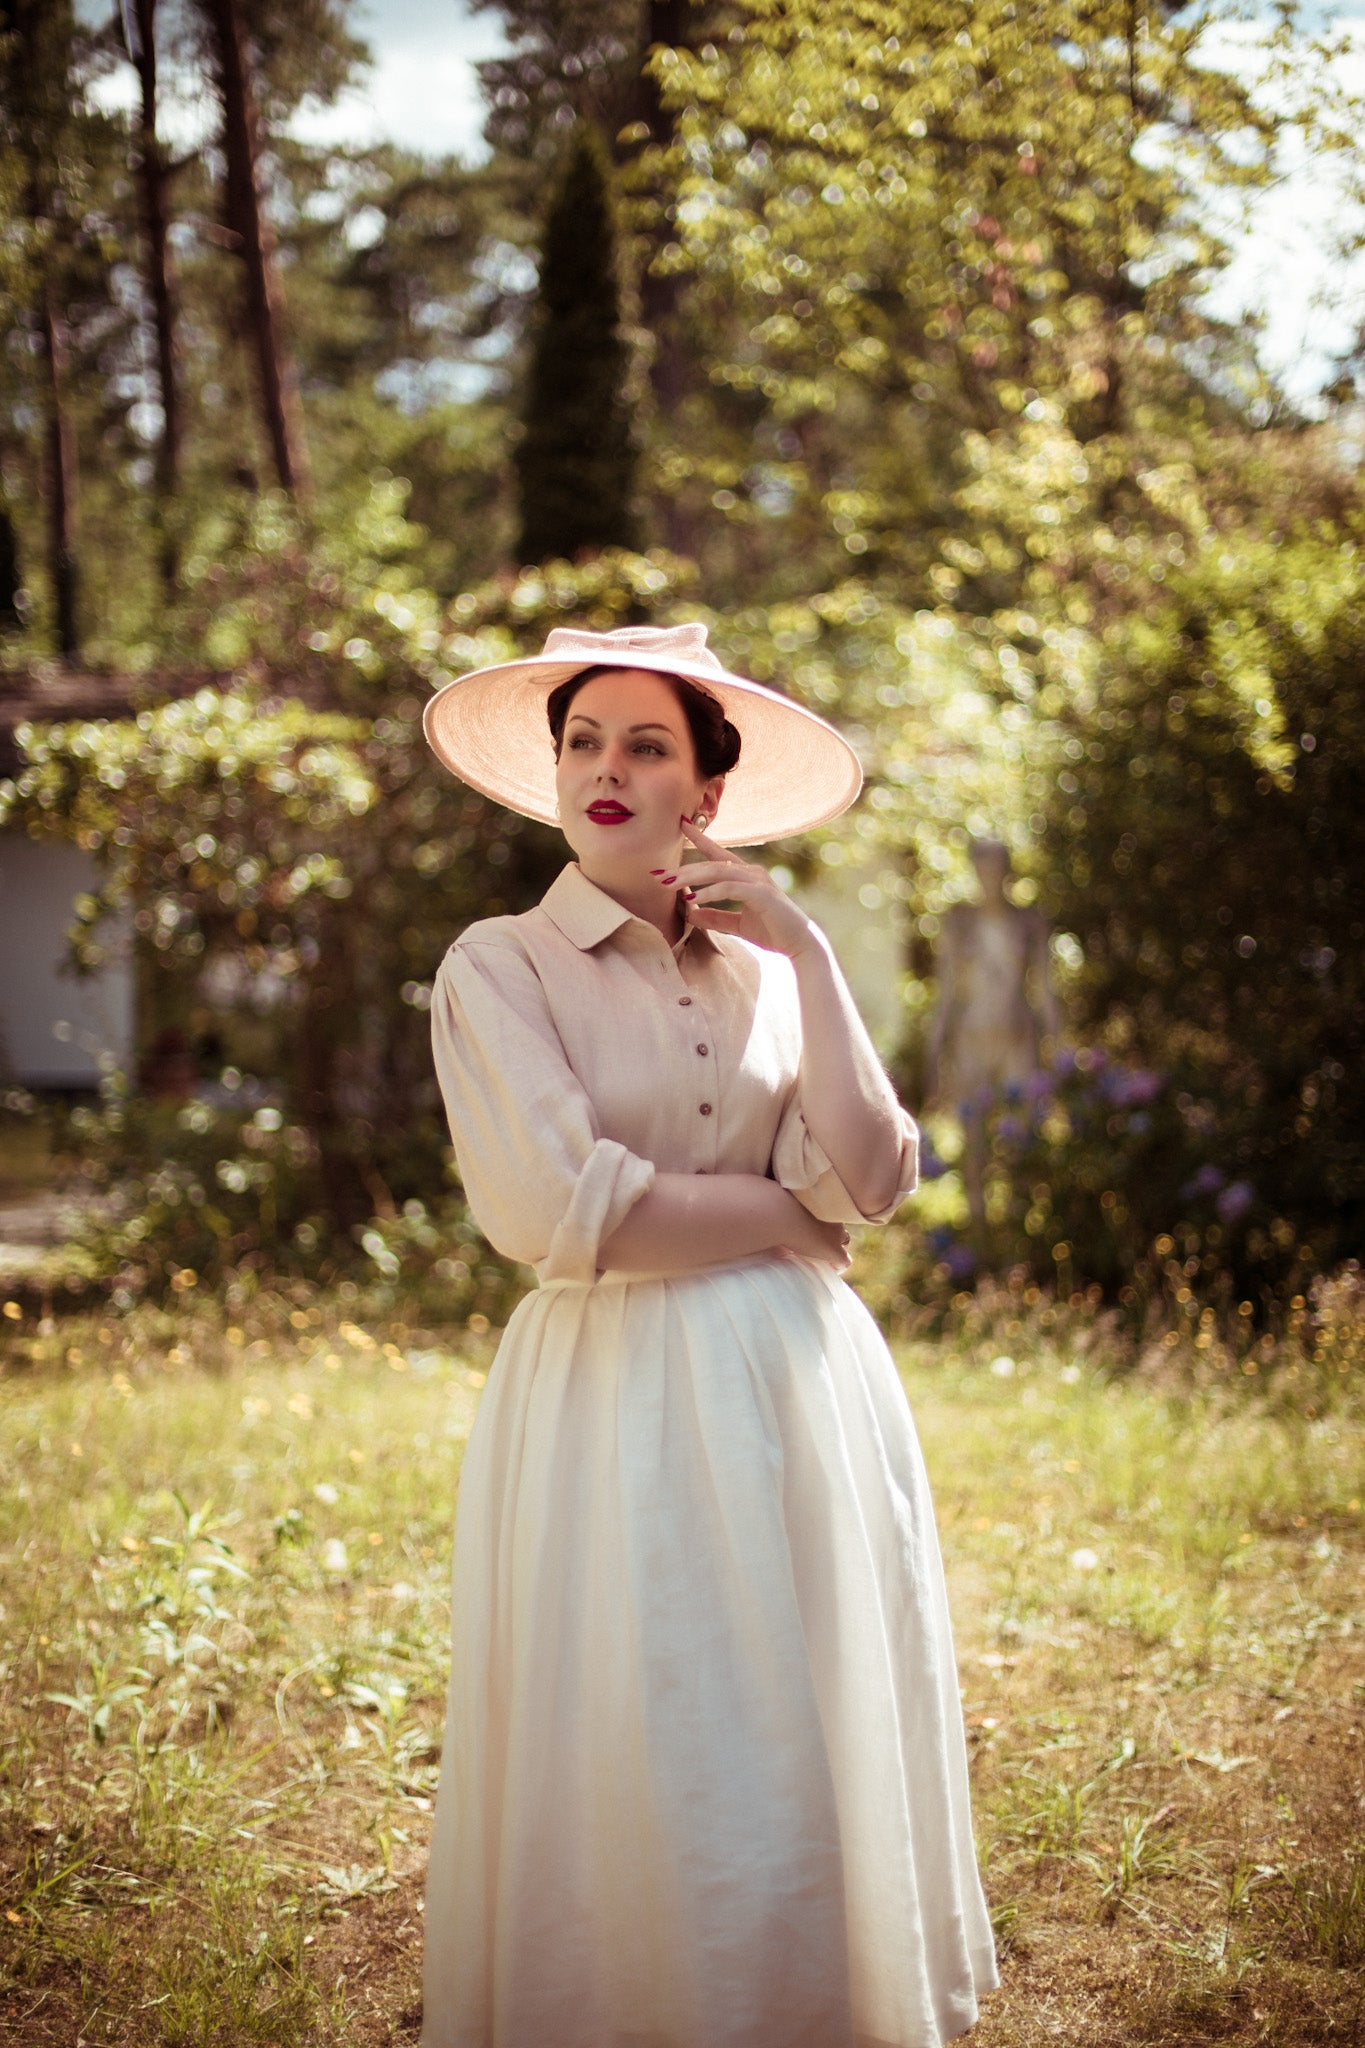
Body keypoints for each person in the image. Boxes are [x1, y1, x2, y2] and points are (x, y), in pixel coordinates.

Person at [418, 622, 1000, 2048]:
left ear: (706, 796)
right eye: (581, 742)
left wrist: (804, 947)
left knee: (794, 1718)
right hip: (606, 1390)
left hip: (799, 1396)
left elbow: (870, 1178)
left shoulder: (766, 977)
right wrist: (775, 1215)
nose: (604, 771)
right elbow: (566, 1211)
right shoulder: (499, 965)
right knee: (635, 1705)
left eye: (645, 745)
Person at [925, 838, 1059, 1229]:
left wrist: (1058, 1050)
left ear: (1007, 870)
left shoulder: (1028, 922)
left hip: (1017, 1036)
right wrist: (934, 1051)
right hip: (972, 1038)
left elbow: (1045, 991)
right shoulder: (959, 922)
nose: (990, 875)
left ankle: (1019, 1229)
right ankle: (979, 1234)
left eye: (996, 866)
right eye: (982, 866)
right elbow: (945, 992)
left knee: (1022, 1138)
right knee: (975, 1144)